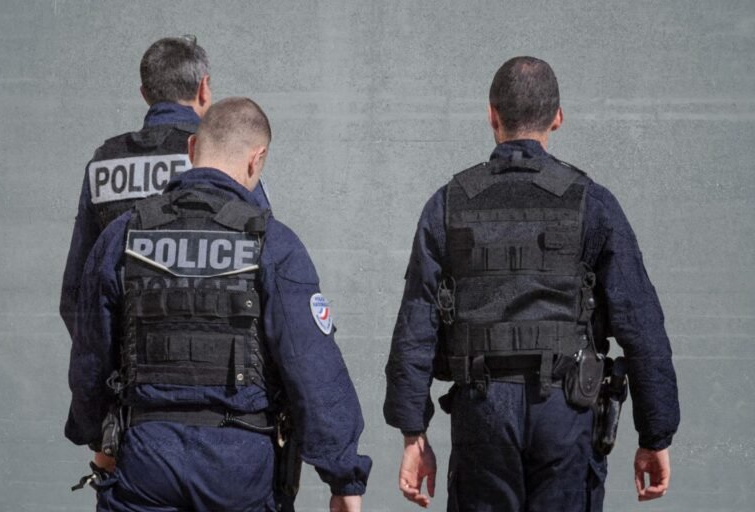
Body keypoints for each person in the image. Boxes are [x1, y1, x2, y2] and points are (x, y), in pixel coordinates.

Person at [383, 56, 679, 511]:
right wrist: (655, 433)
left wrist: (413, 434)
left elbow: (415, 325)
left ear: (492, 115)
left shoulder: (447, 204)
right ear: (557, 117)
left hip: (482, 412)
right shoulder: (592, 203)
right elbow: (640, 323)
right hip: (565, 412)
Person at [65, 97, 371, 511]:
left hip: (147, 460)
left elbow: (90, 357)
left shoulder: (124, 235)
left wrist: (97, 437)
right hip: (240, 467)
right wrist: (343, 477)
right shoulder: (273, 243)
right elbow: (313, 366)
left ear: (192, 148)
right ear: (256, 159)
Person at [59, 36, 271, 338]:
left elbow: (76, 292)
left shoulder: (105, 162)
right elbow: (268, 267)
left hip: (131, 358)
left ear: (145, 94)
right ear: (204, 88)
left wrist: (115, 361)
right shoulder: (222, 155)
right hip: (222, 356)